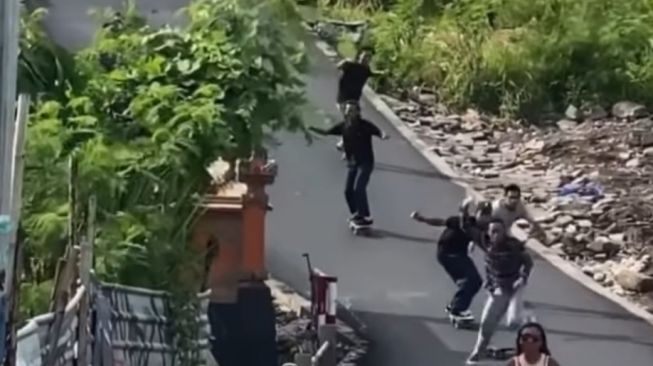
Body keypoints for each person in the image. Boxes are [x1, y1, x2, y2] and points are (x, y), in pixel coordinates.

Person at [467, 218, 533, 365]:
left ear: (504, 232)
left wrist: (523, 276)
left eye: (499, 231)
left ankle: (527, 322)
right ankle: (479, 351)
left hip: (515, 286)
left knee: (512, 322)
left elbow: (528, 262)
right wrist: (463, 210)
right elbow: (466, 226)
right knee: (487, 321)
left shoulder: (513, 246)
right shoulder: (485, 243)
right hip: (498, 289)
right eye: (493, 231)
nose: (496, 235)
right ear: (489, 233)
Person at [310, 102, 388, 226]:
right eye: (347, 110)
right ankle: (357, 213)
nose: (349, 113)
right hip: (353, 162)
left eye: (352, 110)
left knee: (359, 188)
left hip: (366, 162)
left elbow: (378, 132)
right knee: (348, 191)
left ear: (358, 112)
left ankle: (364, 215)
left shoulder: (364, 125)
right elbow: (326, 132)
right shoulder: (344, 126)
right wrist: (310, 128)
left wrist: (383, 135)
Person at [410, 207, 487, 319]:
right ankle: (457, 309)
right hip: (447, 254)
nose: (484, 218)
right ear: (477, 214)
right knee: (472, 281)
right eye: (482, 215)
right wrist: (423, 219)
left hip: (460, 254)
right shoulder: (460, 221)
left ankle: (454, 305)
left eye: (487, 215)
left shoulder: (484, 228)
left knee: (474, 282)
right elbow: (441, 222)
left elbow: (483, 243)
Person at [492, 184, 545, 328]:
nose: (513, 201)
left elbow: (530, 219)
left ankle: (517, 299)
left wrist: (537, 230)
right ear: (505, 197)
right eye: (510, 198)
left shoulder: (519, 206)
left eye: (516, 198)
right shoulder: (496, 208)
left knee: (515, 262)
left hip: (507, 235)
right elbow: (483, 224)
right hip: (493, 237)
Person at [335, 49, 383, 152]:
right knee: (352, 121)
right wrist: (343, 62)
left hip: (355, 99)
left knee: (353, 122)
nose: (365, 59)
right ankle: (345, 143)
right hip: (343, 98)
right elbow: (338, 66)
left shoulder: (365, 70)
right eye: (364, 56)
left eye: (368, 57)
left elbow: (372, 74)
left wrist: (382, 73)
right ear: (359, 56)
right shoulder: (350, 64)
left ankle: (344, 144)